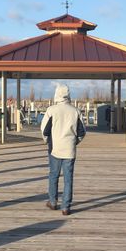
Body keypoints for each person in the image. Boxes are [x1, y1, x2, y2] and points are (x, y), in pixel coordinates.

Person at [41, 84, 86, 216]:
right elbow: (82, 132)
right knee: (68, 178)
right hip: (69, 149)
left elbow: (45, 131)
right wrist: (75, 142)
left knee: (53, 175)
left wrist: (46, 141)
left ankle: (53, 202)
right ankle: (66, 207)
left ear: (56, 94)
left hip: (55, 148)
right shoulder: (75, 111)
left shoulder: (51, 110)